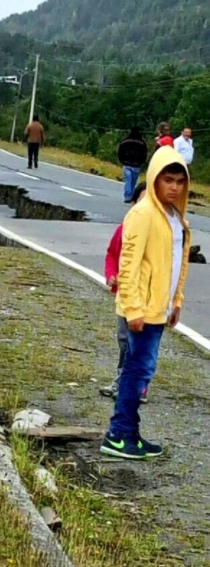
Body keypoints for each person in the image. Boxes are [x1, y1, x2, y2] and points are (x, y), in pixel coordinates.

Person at [100, 147, 191, 460]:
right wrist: (133, 308)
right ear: (154, 179)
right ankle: (118, 434)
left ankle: (130, 433)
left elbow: (177, 263)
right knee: (136, 371)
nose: (174, 187)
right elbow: (129, 264)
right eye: (168, 180)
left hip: (159, 309)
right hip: (142, 310)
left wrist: (175, 302)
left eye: (180, 181)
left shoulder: (175, 216)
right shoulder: (142, 214)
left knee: (142, 371)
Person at [100, 182, 148, 402]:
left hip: (147, 296)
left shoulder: (159, 232)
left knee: (142, 340)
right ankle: (122, 379)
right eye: (141, 200)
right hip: (124, 293)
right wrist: (111, 275)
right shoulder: (124, 228)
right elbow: (112, 254)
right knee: (123, 338)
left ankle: (139, 385)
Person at [117, 127, 148, 203]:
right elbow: (145, 154)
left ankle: (128, 196)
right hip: (136, 165)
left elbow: (120, 152)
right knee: (133, 181)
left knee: (128, 180)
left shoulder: (125, 141)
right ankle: (131, 195)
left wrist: (122, 161)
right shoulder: (142, 143)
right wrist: (142, 162)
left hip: (126, 163)